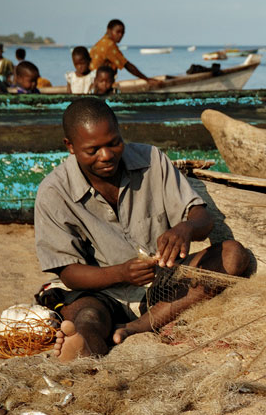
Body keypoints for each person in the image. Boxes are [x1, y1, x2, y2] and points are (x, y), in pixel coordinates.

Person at [34, 97, 251, 362]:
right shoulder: (53, 192)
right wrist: (121, 272)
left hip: (163, 282)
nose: (107, 155)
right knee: (88, 319)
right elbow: (69, 274)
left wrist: (186, 228)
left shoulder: (152, 159)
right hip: (100, 293)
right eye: (93, 150)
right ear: (70, 146)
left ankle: (135, 328)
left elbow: (202, 218)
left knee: (233, 255)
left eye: (114, 143)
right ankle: (83, 351)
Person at [89, 19, 161, 87]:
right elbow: (127, 65)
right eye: (118, 32)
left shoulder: (101, 42)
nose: (120, 35)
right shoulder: (109, 45)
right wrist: (147, 79)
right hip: (99, 82)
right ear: (109, 31)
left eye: (122, 33)